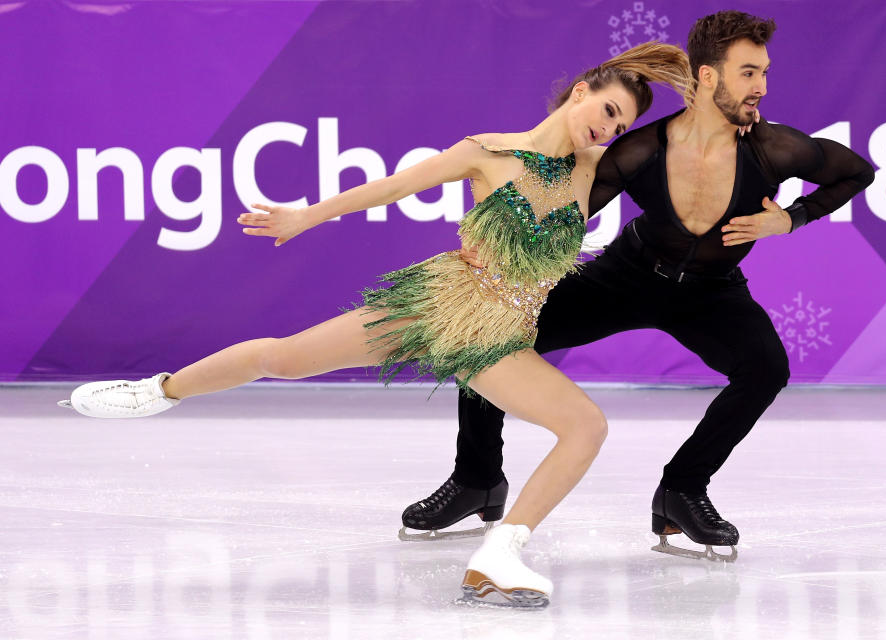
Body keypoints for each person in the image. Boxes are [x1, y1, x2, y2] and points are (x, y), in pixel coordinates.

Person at [58, 42, 692, 607]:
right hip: (446, 300)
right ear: (580, 92)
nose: (607, 128)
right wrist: (306, 216)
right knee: (281, 358)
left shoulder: (593, 171)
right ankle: (157, 391)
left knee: (584, 426)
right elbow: (391, 187)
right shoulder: (488, 153)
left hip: (500, 332)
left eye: (621, 123)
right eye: (606, 111)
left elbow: (689, 148)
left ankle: (500, 554)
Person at [400, 10, 876, 562]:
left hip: (712, 290)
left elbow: (856, 172)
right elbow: (559, 209)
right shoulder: (642, 148)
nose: (762, 88)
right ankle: (477, 479)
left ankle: (682, 489)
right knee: (494, 336)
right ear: (707, 76)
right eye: (748, 73)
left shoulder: (774, 148)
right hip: (628, 275)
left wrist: (789, 219)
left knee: (767, 368)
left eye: (764, 72)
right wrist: (494, 245)